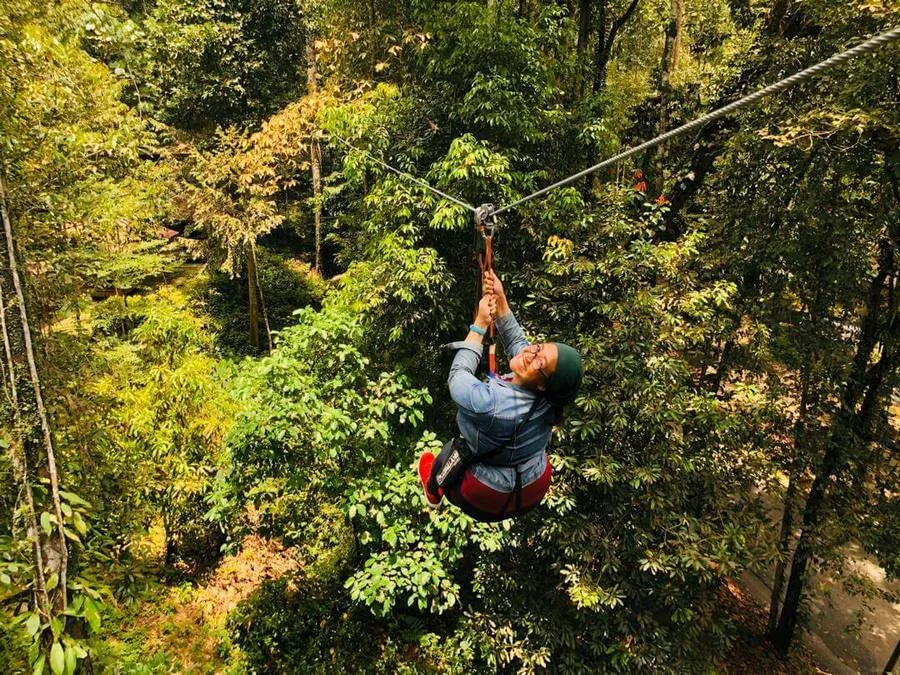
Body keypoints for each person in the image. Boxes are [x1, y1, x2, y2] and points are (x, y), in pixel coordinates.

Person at [417, 270, 583, 521]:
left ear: (542, 385)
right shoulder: (550, 398)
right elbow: (520, 345)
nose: (530, 353)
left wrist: (479, 325)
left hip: (485, 496)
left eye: (540, 362)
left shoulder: (493, 403)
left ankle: (432, 490)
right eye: (539, 347)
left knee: (452, 450)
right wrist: (502, 300)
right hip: (531, 484)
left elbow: (458, 377)